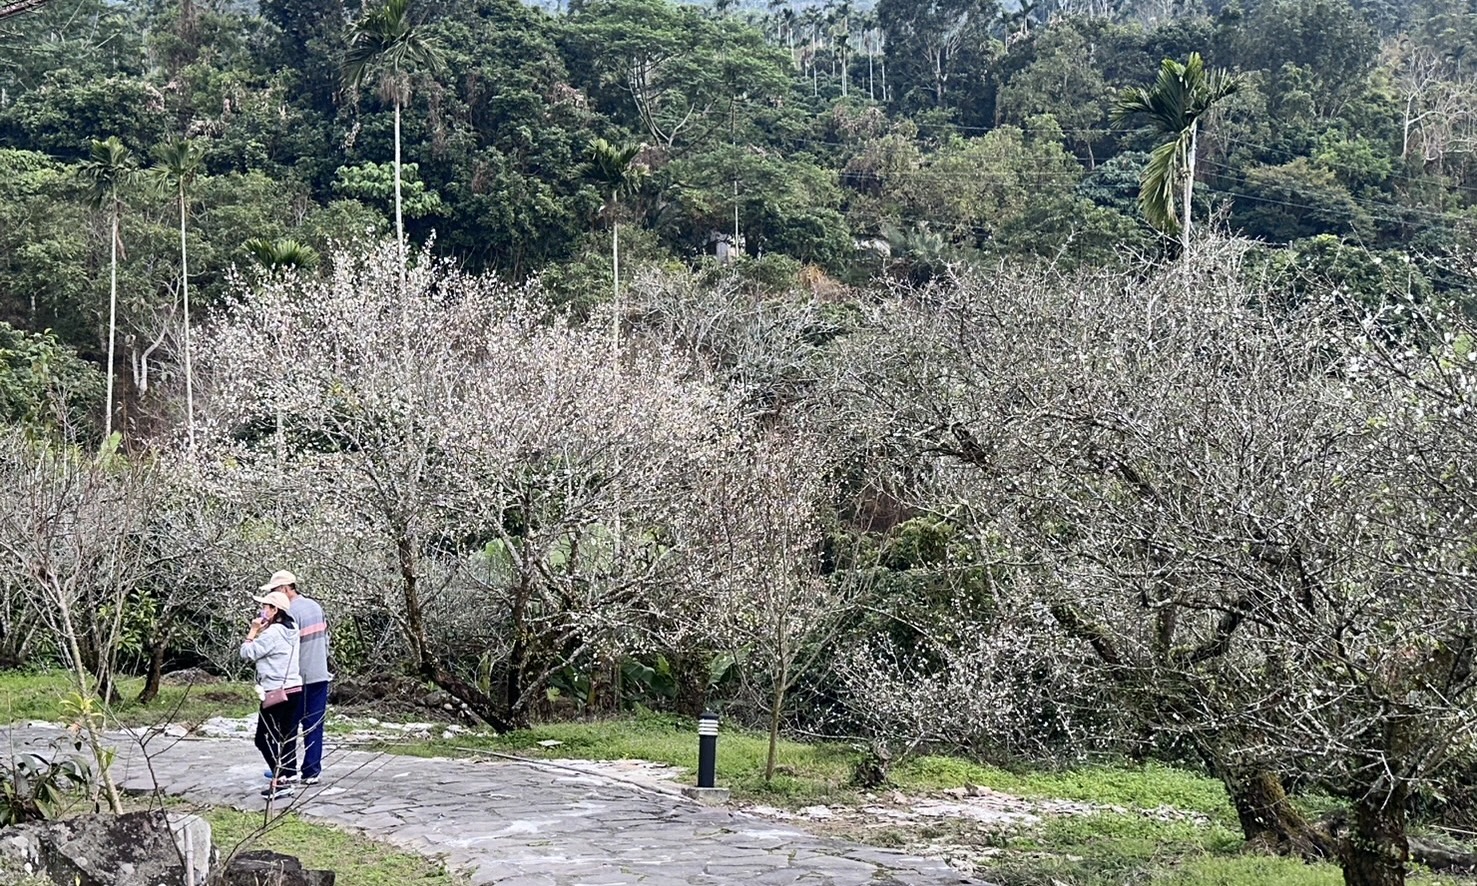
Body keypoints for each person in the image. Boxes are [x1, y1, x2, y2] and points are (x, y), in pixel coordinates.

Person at [266, 570, 332, 785]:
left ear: (286, 588)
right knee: (314, 724)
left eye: (275, 591)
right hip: (319, 673)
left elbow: (283, 648)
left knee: (287, 725)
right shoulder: (315, 606)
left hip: (295, 677)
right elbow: (325, 641)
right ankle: (312, 771)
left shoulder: (288, 613)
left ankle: (287, 769)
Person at [240, 586, 302, 801]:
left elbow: (247, 653)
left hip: (276, 692)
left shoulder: (273, 633)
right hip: (294, 689)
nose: (262, 610)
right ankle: (287, 775)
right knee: (285, 737)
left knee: (263, 738)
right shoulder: (292, 629)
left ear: (275, 610)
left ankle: (281, 777)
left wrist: (253, 631)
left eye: (265, 607)